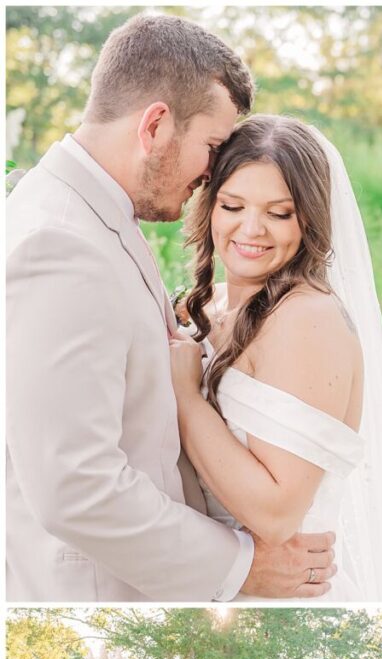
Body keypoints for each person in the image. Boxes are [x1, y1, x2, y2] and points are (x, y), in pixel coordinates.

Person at [6, 14, 336, 600]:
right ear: (155, 125)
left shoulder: (89, 215)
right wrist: (241, 566)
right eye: (211, 146)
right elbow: (75, 487)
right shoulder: (60, 244)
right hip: (95, 600)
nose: (212, 172)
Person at [168, 114, 382, 600]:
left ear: (310, 219)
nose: (251, 229)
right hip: (210, 587)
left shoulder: (307, 321)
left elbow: (276, 514)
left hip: (279, 600)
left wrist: (187, 399)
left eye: (279, 213)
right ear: (210, 205)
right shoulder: (206, 308)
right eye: (233, 205)